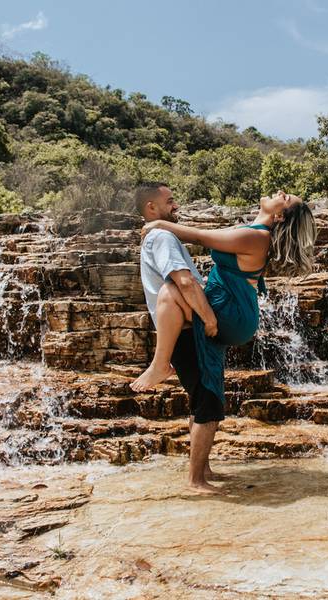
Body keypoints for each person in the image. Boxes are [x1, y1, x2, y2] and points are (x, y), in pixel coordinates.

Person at [131, 188, 317, 422]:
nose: (280, 192)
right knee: (175, 291)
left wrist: (160, 224)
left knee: (170, 291)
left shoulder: (256, 237)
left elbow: (200, 237)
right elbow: (205, 235)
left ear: (279, 216)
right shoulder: (250, 231)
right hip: (232, 307)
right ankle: (166, 365)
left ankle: (160, 364)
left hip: (233, 314)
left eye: (285, 197)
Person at [134, 181, 226, 494]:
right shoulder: (161, 237)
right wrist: (209, 317)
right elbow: (183, 282)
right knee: (208, 402)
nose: (176, 206)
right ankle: (196, 480)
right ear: (151, 207)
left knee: (200, 399)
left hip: (181, 331)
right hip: (188, 332)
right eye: (170, 201)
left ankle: (203, 470)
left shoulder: (158, 235)